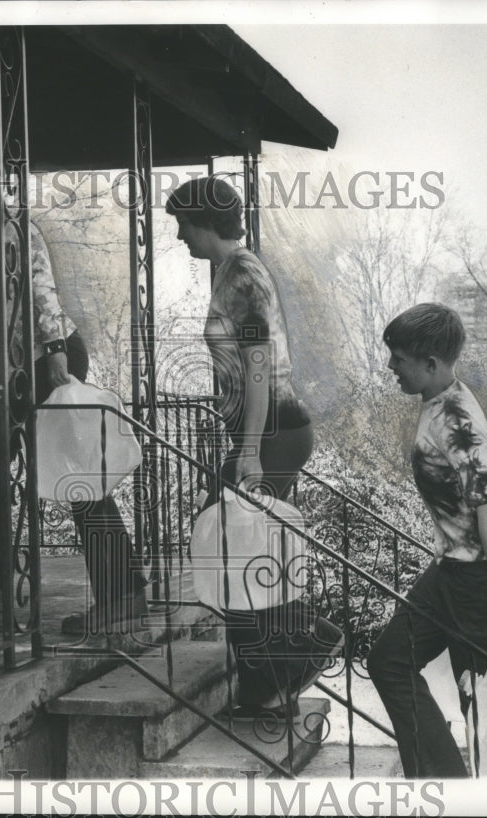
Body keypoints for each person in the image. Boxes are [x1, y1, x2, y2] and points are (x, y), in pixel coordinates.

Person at [0, 142, 147, 634]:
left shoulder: (13, 229)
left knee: (77, 477)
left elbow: (42, 291)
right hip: (26, 370)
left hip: (49, 360)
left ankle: (121, 601)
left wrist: (54, 360)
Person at [165, 176, 342, 720]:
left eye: (183, 224)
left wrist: (248, 451)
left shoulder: (242, 275)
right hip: (266, 431)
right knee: (244, 554)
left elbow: (260, 368)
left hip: (271, 434)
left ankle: (286, 665)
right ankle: (278, 672)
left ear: (206, 221)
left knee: (232, 551)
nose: (178, 237)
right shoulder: (231, 273)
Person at [367, 303, 487, 778]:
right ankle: (443, 784)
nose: (391, 367)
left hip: (484, 579)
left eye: (398, 358)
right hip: (454, 571)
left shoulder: (460, 424)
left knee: (485, 709)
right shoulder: (438, 402)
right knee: (390, 661)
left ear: (431, 364)